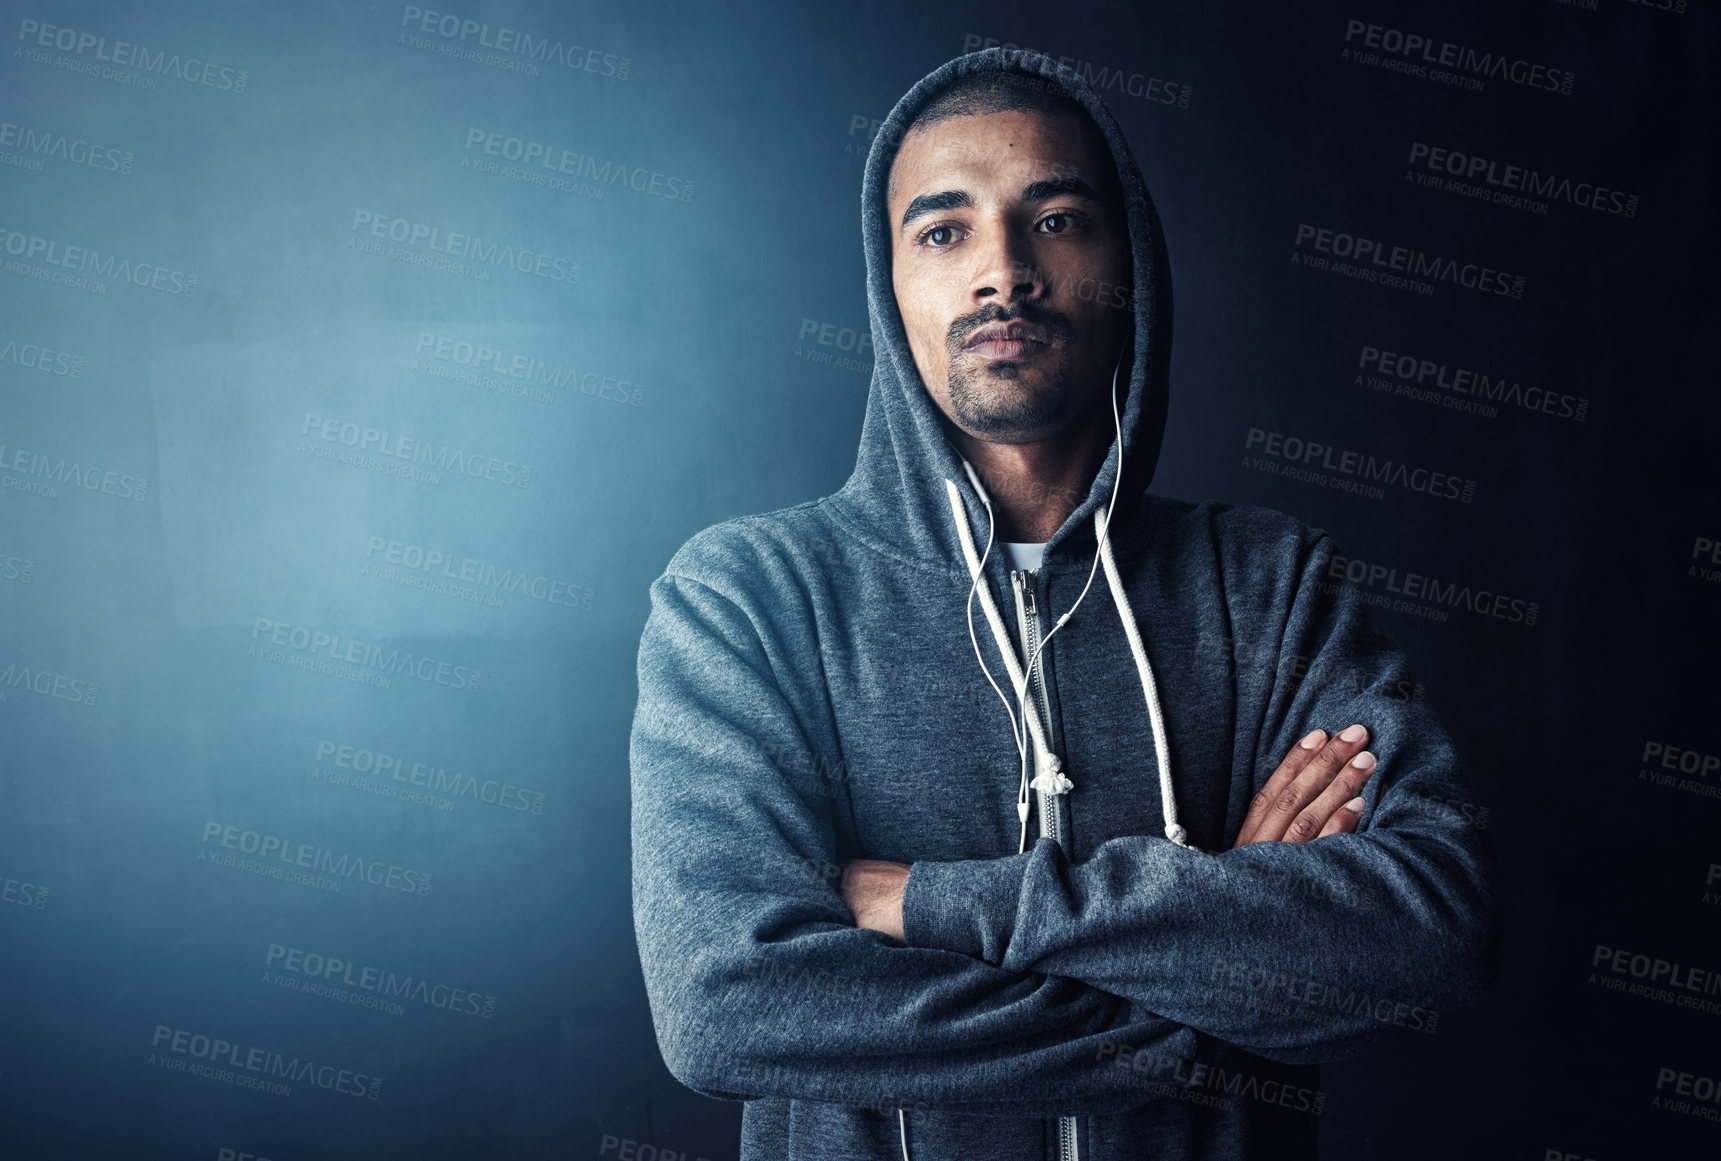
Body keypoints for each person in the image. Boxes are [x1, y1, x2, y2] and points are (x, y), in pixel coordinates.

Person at [630, 47, 1501, 1161]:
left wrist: (941, 907)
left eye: (1054, 220)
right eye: (942, 231)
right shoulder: (748, 596)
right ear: (887, 287)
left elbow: (1430, 937)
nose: (1002, 271)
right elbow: (727, 1007)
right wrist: (1219, 980)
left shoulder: (1273, 585)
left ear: (1126, 262)